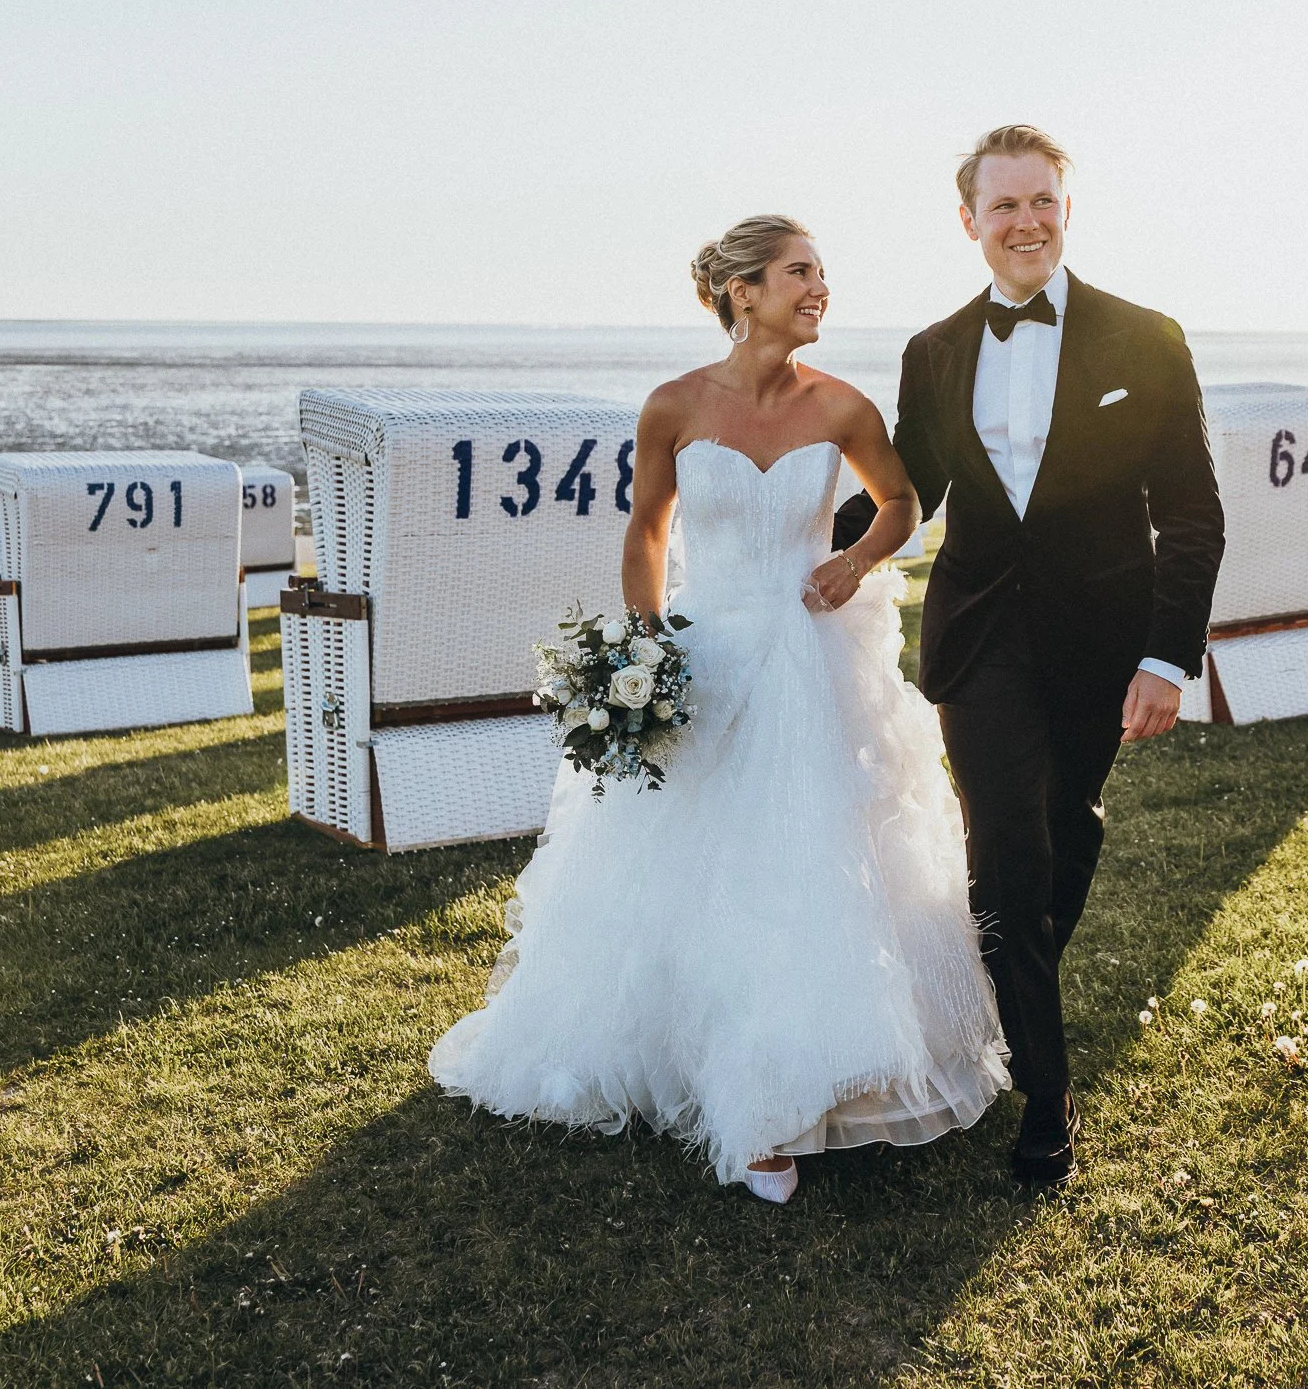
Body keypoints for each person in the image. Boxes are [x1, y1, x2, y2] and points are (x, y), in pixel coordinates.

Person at [429, 214, 1009, 1205]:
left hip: (813, 655)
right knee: (685, 864)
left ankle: (800, 1085)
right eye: (799, 273)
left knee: (809, 860)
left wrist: (854, 558)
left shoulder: (845, 406)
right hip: (707, 653)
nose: (819, 288)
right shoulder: (672, 405)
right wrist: (645, 647)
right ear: (742, 291)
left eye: (823, 273)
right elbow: (646, 534)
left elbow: (905, 505)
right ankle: (704, 1071)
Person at [834, 126, 1226, 1184]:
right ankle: (1044, 1094)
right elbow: (909, 488)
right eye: (1003, 205)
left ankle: (1013, 983)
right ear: (969, 221)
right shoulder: (935, 349)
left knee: (1064, 838)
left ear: (1066, 207)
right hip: (979, 640)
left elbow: (1191, 515)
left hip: (1102, 640)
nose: (1025, 222)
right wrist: (812, 554)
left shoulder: (1147, 338)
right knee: (1004, 846)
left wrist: (1167, 658)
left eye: (1041, 200)